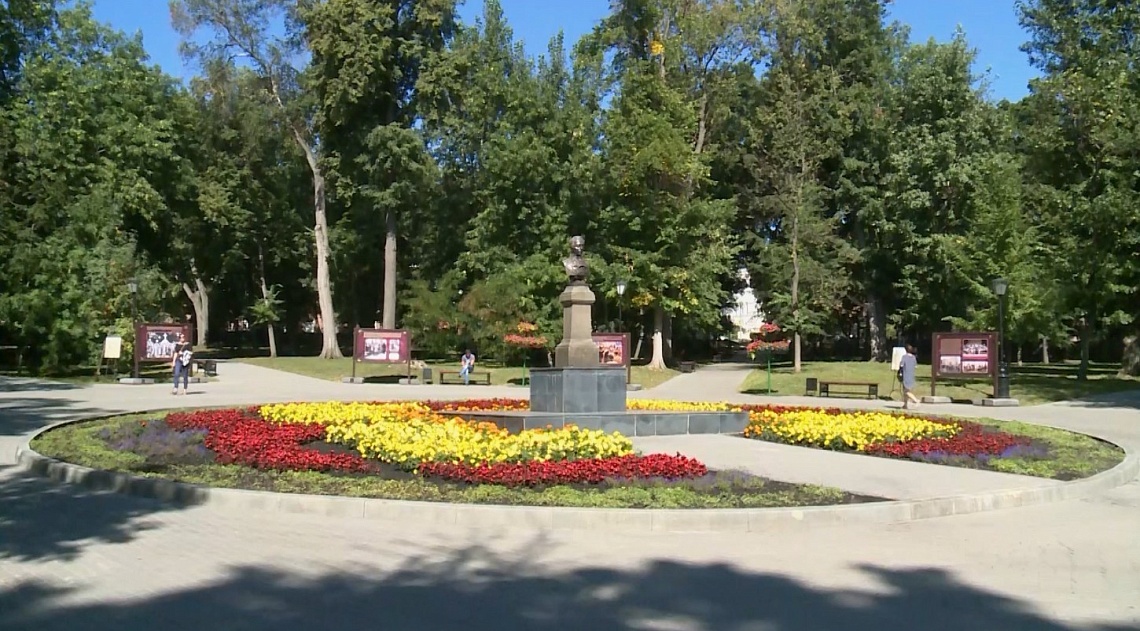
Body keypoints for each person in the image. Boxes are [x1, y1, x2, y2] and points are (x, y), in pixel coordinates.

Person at [900, 344, 920, 409]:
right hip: (911, 375)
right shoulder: (913, 357)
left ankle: (916, 400)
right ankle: (905, 405)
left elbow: (901, 365)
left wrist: (900, 372)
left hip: (906, 375)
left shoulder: (904, 357)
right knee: (906, 390)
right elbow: (916, 366)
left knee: (906, 391)